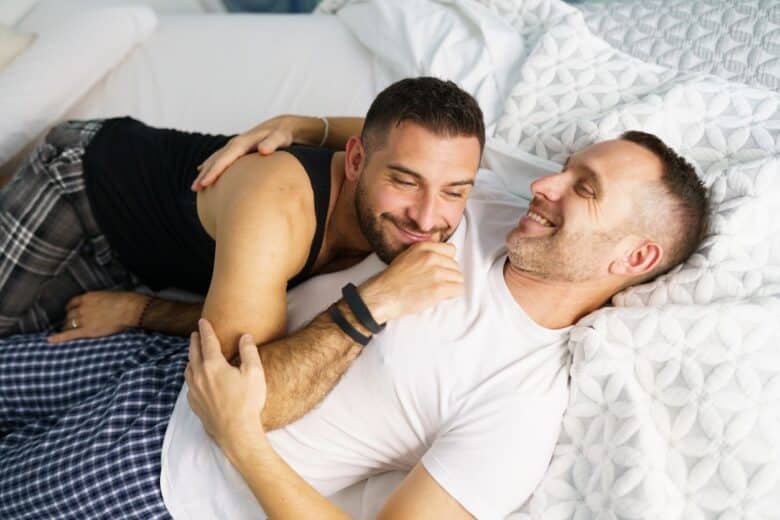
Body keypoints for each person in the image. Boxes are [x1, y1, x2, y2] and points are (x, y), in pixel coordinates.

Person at [0, 115, 709, 518]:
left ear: (635, 256)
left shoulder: (522, 401)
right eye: (567, 167)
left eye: (585, 188)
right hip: (159, 361)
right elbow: (414, 138)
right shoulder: (499, 202)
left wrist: (241, 441)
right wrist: (308, 125)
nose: (547, 183)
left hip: (160, 475)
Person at [0, 77, 484, 356]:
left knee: (21, 352)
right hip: (82, 188)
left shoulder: (440, 174)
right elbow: (238, 350)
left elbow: (408, 146)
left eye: (453, 191)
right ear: (356, 161)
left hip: (141, 257)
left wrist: (305, 125)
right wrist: (137, 311)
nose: (426, 219)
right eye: (404, 182)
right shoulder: (277, 205)